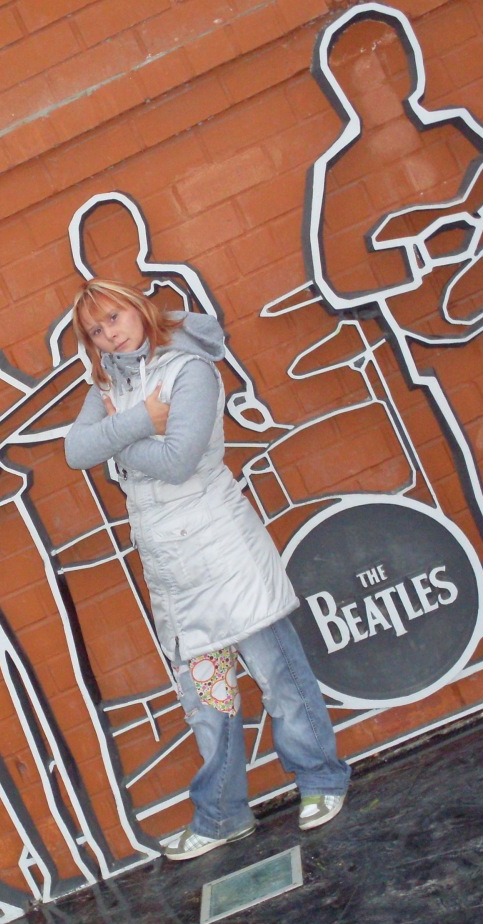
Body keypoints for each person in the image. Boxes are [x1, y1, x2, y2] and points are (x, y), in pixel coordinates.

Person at [63, 278, 351, 860]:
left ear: (138, 309)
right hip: (173, 571)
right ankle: (223, 814)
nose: (110, 334)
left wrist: (116, 435)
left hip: (224, 552)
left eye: (114, 317)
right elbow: (75, 452)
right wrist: (145, 418)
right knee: (208, 702)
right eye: (96, 330)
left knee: (279, 677)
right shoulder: (107, 383)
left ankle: (320, 778)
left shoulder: (189, 368)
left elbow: (177, 462)